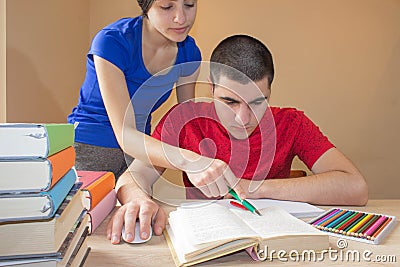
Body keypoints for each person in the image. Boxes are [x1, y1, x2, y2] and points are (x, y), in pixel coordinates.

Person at [106, 34, 368, 244]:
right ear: (211, 88)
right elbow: (133, 176)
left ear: (270, 92)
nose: (243, 118)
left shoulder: (291, 123)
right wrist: (139, 200)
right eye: (229, 101)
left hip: (274, 247)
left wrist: (252, 187)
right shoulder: (185, 121)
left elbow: (355, 187)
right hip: (207, 246)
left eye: (258, 102)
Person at [68, 0, 244, 197]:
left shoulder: (189, 52)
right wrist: (190, 160)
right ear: (146, 7)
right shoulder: (113, 42)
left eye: (189, 4)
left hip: (142, 155)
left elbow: (186, 120)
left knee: (138, 221)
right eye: (167, 7)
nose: (181, 18)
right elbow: (126, 133)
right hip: (90, 149)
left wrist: (216, 166)